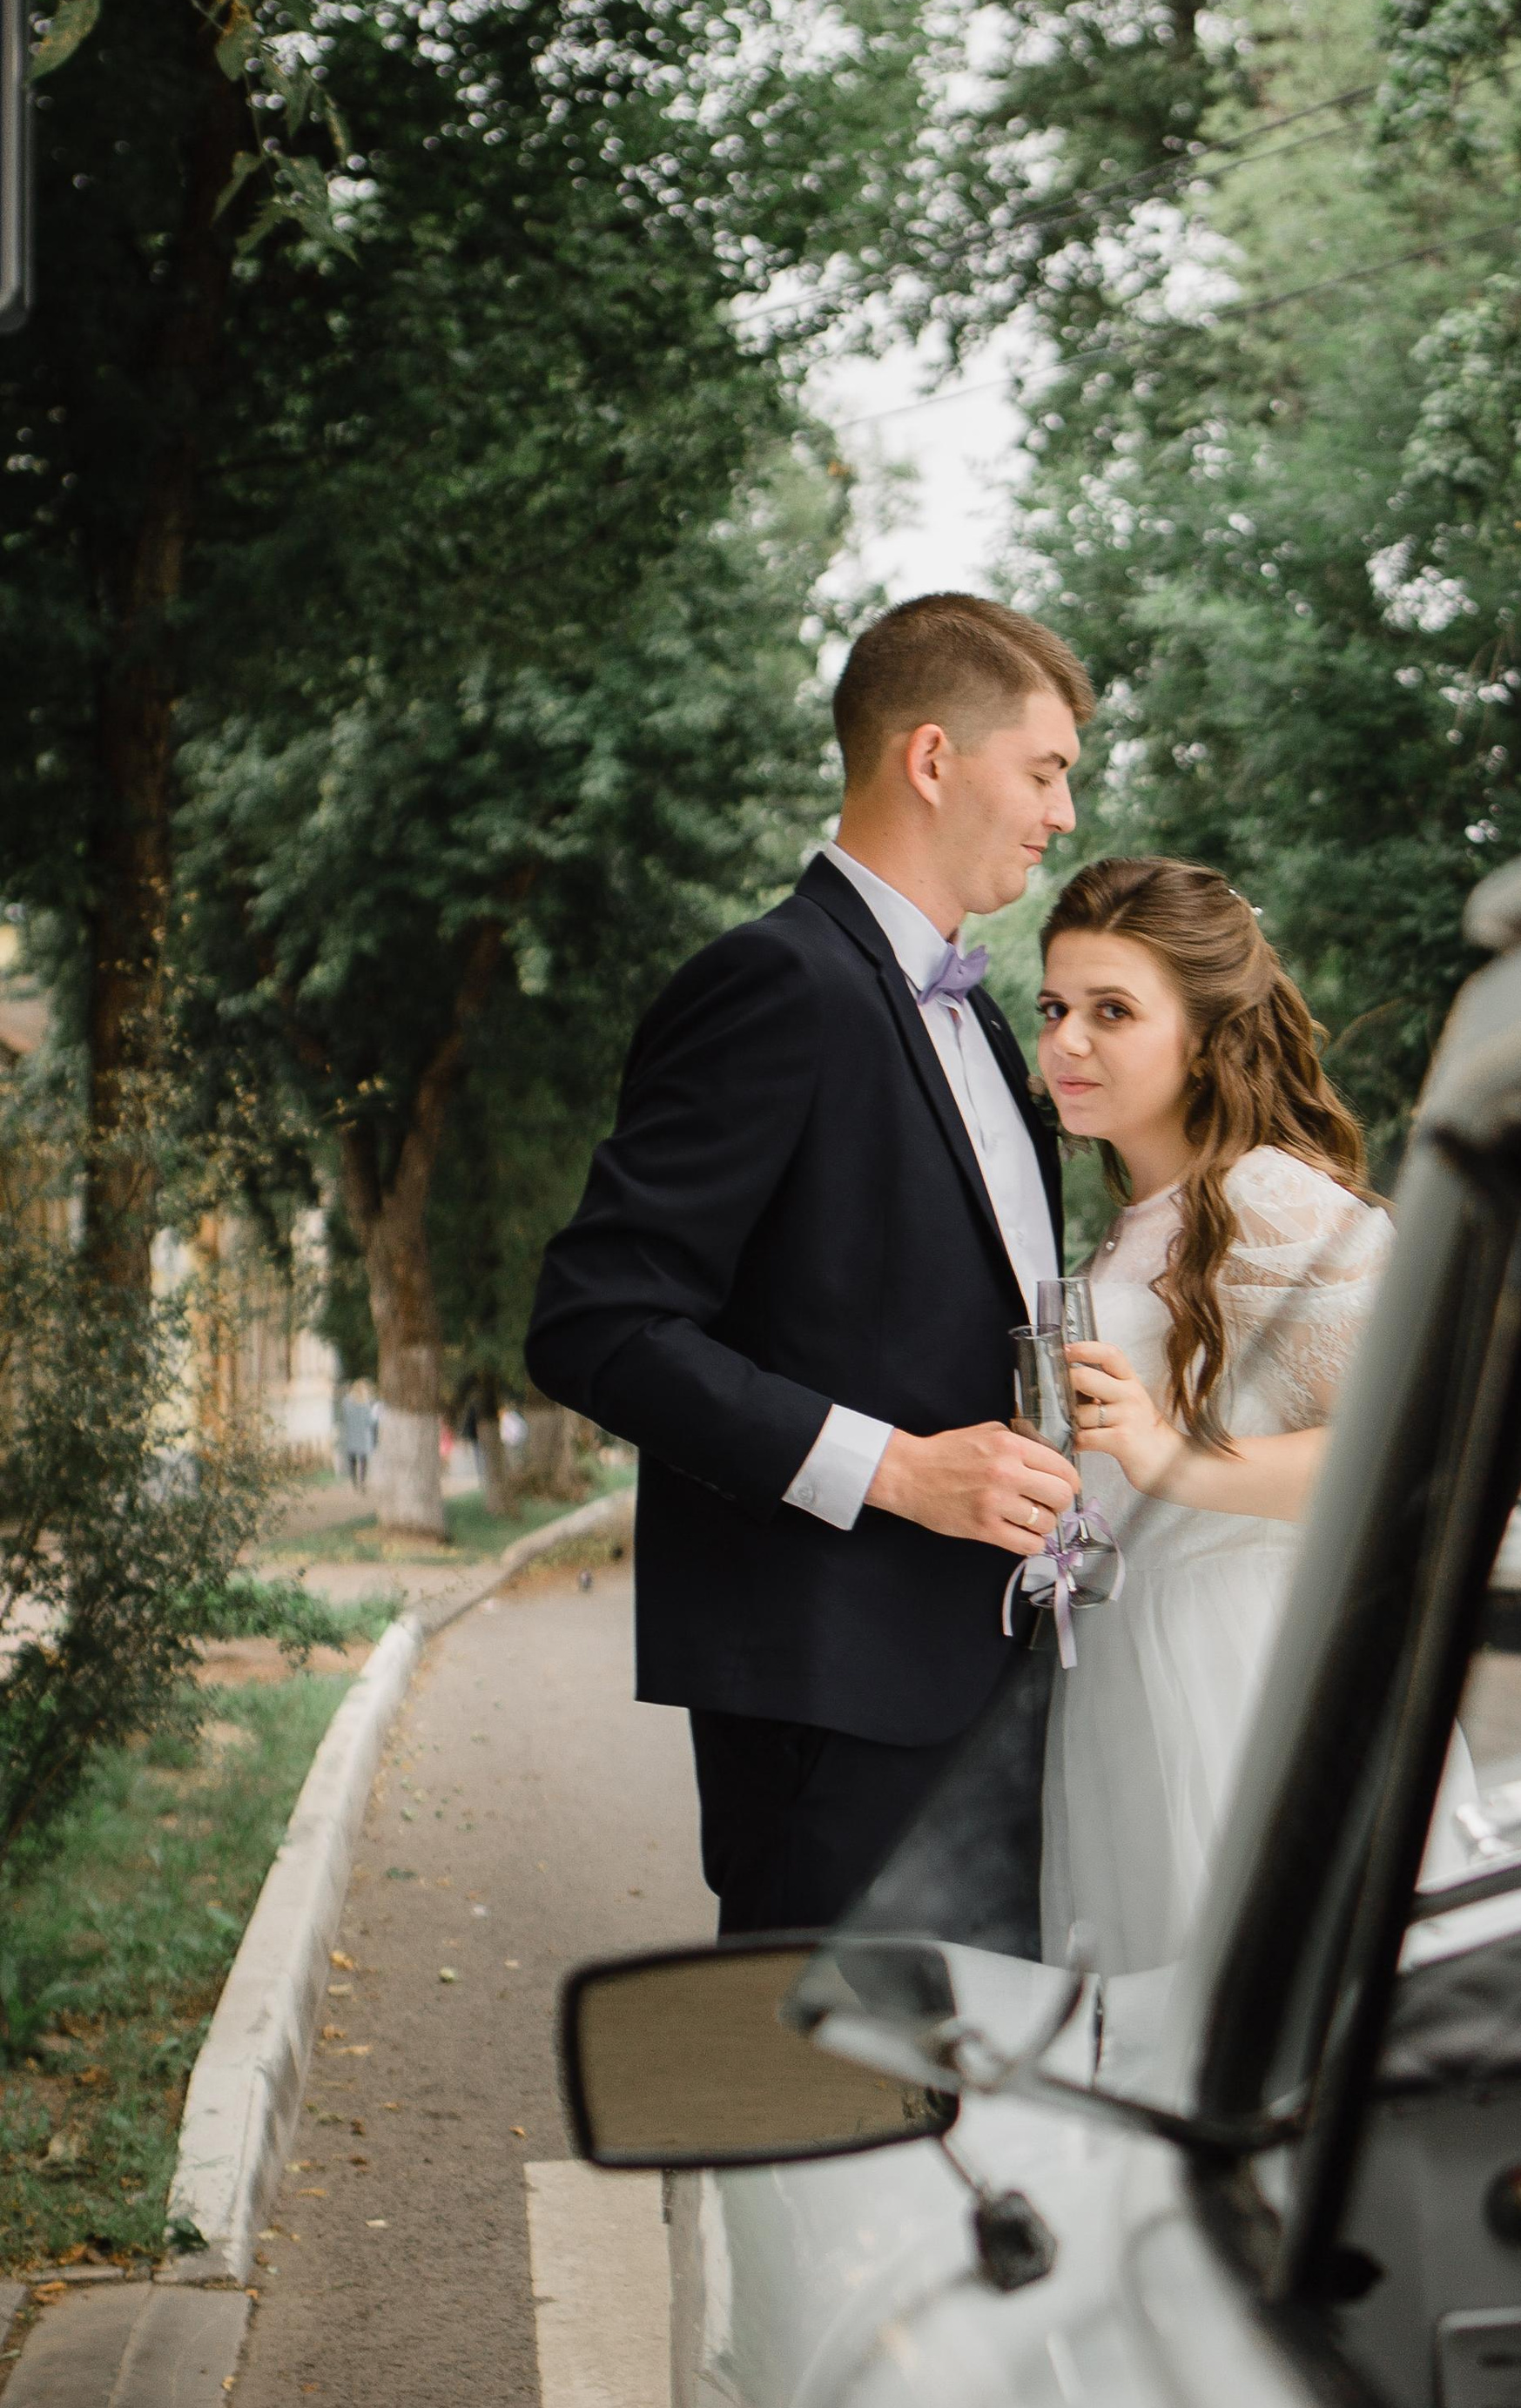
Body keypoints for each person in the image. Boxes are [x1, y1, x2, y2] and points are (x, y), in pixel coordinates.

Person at [526, 594, 1092, 1935]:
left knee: (950, 2121)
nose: (1064, 814)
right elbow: (596, 1325)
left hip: (999, 1670)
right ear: (935, 759)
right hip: (835, 1699)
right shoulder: (776, 984)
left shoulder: (987, 1028)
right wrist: (898, 1470)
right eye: (1048, 771)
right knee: (815, 2115)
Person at [1033, 857, 1392, 1973]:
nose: (1066, 1044)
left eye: (1112, 1012)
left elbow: (1406, 1448)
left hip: (1241, 1671)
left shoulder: (1267, 1197)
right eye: (1053, 1008)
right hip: (1121, 1667)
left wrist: (1169, 1458)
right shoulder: (1134, 1224)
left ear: (1207, 1037)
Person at [337, 1380, 374, 1492]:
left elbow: (343, 1417)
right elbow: (370, 1421)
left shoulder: (347, 1402)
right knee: (363, 1460)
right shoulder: (366, 1402)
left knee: (352, 1460)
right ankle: (362, 1482)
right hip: (363, 1436)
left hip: (351, 1434)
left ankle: (355, 1483)